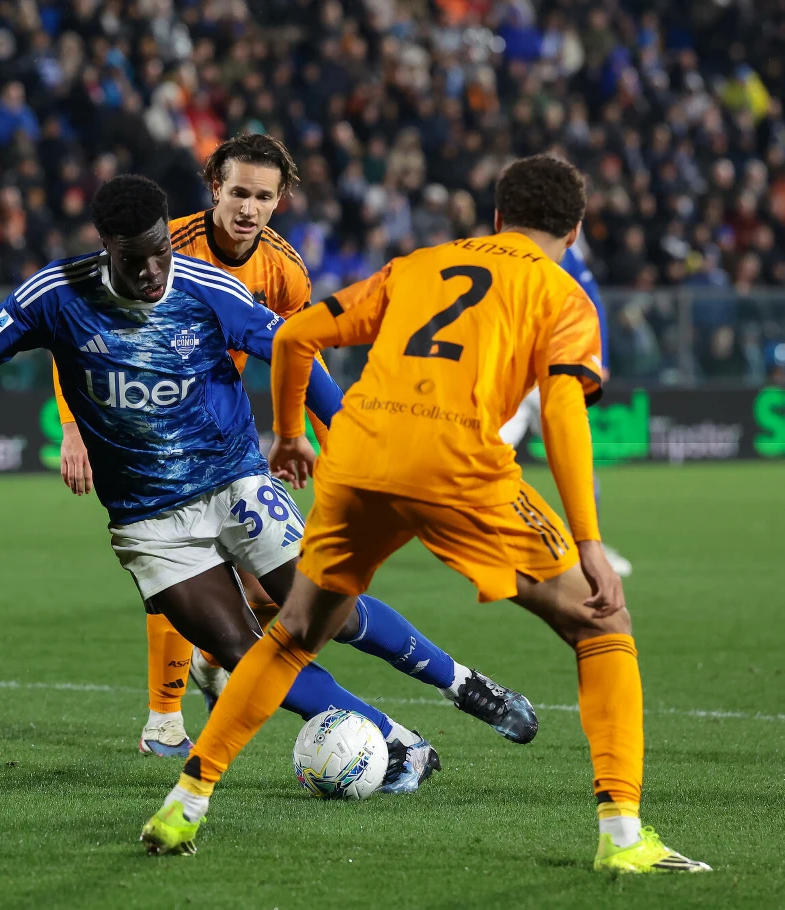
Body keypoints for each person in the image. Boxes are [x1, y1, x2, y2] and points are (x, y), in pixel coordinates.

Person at [141, 155, 711, 875]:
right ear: (575, 229)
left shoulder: (421, 264)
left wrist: (289, 434)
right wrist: (589, 540)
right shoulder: (563, 293)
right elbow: (564, 405)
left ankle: (186, 801)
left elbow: (292, 337)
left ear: (499, 218)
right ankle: (623, 836)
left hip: (359, 455)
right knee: (602, 625)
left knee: (291, 635)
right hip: (457, 465)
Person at [0, 173, 492, 795]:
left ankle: (463, 683)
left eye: (161, 251)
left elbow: (293, 347)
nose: (153, 269)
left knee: (327, 612)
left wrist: (346, 430)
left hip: (236, 483)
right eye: (134, 259)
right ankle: (391, 735)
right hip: (148, 520)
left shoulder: (208, 290)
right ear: (105, 248)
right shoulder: (56, 293)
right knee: (241, 647)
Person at [53, 135, 531, 758]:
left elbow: (297, 352)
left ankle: (460, 684)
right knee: (182, 574)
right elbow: (77, 326)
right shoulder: (160, 243)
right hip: (146, 432)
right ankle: (166, 718)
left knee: (306, 597)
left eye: (262, 196)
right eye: (237, 192)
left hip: (218, 432)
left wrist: (322, 437)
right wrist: (71, 427)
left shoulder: (284, 269)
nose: (247, 208)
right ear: (214, 188)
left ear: (280, 201)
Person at [499, 243, 633, 576]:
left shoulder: (504, 249)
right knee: (577, 464)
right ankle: (590, 548)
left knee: (481, 456)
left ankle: (479, 540)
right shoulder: (561, 251)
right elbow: (592, 300)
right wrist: (600, 359)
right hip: (547, 373)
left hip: (515, 372)